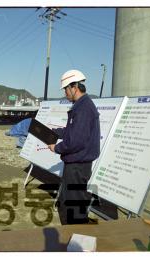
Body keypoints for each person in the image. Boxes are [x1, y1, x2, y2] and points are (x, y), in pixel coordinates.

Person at [48, 69, 100, 225]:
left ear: (74, 86)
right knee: (72, 201)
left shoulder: (83, 108)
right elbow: (72, 132)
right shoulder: (81, 105)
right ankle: (75, 232)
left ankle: (76, 236)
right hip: (77, 164)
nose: (65, 93)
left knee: (73, 205)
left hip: (78, 165)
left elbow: (75, 141)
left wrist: (56, 148)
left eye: (66, 89)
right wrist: (55, 132)